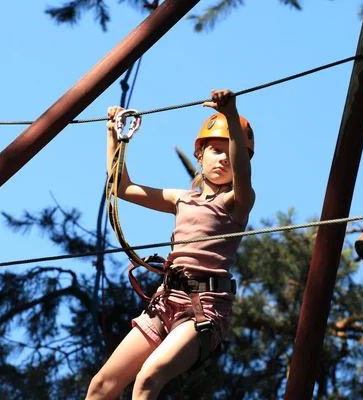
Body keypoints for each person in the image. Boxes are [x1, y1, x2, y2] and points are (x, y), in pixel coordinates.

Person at [85, 89, 256, 400]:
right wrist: (113, 133)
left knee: (149, 377)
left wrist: (231, 115)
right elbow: (122, 188)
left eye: (229, 151)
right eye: (214, 150)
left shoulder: (238, 202)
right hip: (165, 301)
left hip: (204, 308)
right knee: (100, 386)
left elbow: (243, 170)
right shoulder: (182, 199)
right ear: (199, 155)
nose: (223, 159)